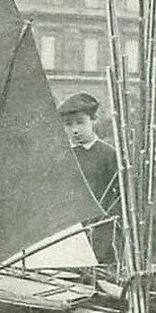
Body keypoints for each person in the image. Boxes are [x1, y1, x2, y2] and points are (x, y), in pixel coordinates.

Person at [57, 92, 120, 264]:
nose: (75, 130)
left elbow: (119, 192)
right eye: (68, 125)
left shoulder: (108, 154)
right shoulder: (65, 156)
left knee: (102, 263)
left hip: (102, 225)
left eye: (80, 122)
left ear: (93, 120)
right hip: (73, 225)